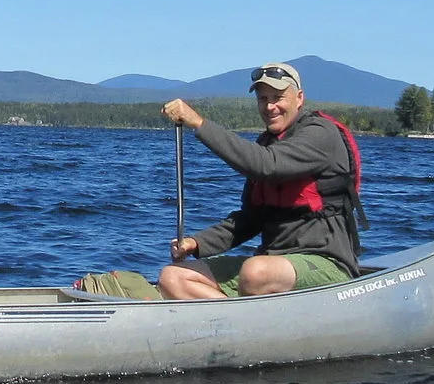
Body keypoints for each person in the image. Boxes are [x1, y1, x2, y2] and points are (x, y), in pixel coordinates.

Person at [153, 62, 364, 300]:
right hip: (271, 263)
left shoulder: (320, 133)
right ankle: (235, 321)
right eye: (263, 99)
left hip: (326, 262)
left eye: (278, 97)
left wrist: (199, 123)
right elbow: (250, 220)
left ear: (299, 98)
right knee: (173, 277)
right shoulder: (266, 143)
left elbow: (266, 164)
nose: (270, 106)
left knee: (256, 272)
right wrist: (197, 243)